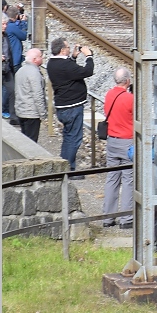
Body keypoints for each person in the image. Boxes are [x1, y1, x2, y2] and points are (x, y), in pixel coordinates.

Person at [46, 37, 94, 173]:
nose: (69, 48)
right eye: (67, 47)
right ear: (62, 50)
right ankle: (67, 169)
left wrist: (73, 56)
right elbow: (87, 71)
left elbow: (69, 71)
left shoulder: (51, 63)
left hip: (62, 107)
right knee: (74, 138)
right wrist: (89, 56)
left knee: (68, 137)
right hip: (72, 107)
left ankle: (66, 166)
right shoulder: (65, 66)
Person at [101, 67, 134, 228]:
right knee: (128, 179)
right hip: (127, 142)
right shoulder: (130, 98)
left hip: (111, 141)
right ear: (127, 80)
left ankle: (108, 217)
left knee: (112, 178)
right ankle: (126, 218)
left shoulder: (109, 95)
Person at [14, 47, 47, 143]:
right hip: (31, 113)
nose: (43, 58)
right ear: (35, 59)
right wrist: (43, 114)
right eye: (41, 56)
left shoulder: (20, 71)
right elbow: (38, 94)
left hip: (21, 111)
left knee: (25, 140)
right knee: (31, 142)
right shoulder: (34, 73)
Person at [2, 6, 28, 120]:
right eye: (3, 24)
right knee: (8, 90)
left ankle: (13, 115)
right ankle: (5, 109)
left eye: (5, 24)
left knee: (11, 89)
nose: (5, 26)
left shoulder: (6, 34)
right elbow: (23, 36)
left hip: (8, 65)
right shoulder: (12, 28)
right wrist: (23, 23)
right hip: (8, 63)